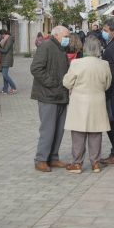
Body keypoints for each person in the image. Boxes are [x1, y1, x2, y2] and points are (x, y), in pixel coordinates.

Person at [63, 36, 111, 174]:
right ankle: (95, 163)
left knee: (78, 133)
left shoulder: (77, 63)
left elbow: (67, 83)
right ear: (98, 49)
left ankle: (77, 164)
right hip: (98, 102)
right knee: (96, 133)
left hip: (79, 102)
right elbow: (107, 84)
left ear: (84, 48)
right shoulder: (104, 64)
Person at [31, 25, 71, 172]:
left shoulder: (61, 48)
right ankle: (41, 159)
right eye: (66, 36)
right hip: (48, 95)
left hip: (61, 95)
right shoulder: (46, 46)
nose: (68, 38)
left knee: (59, 129)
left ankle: (53, 157)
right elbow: (35, 68)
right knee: (48, 129)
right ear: (57, 35)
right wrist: (53, 83)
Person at [100, 18, 114, 164]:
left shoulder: (111, 48)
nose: (104, 33)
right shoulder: (109, 45)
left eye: (106, 30)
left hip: (111, 91)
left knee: (110, 123)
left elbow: (110, 72)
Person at [0, 29, 17, 94]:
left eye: (0, 35)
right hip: (4, 59)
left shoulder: (9, 39)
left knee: (5, 75)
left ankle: (14, 87)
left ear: (3, 34)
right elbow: (3, 48)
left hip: (7, 59)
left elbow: (5, 50)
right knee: (5, 75)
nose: (0, 37)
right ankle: (5, 89)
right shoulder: (5, 39)